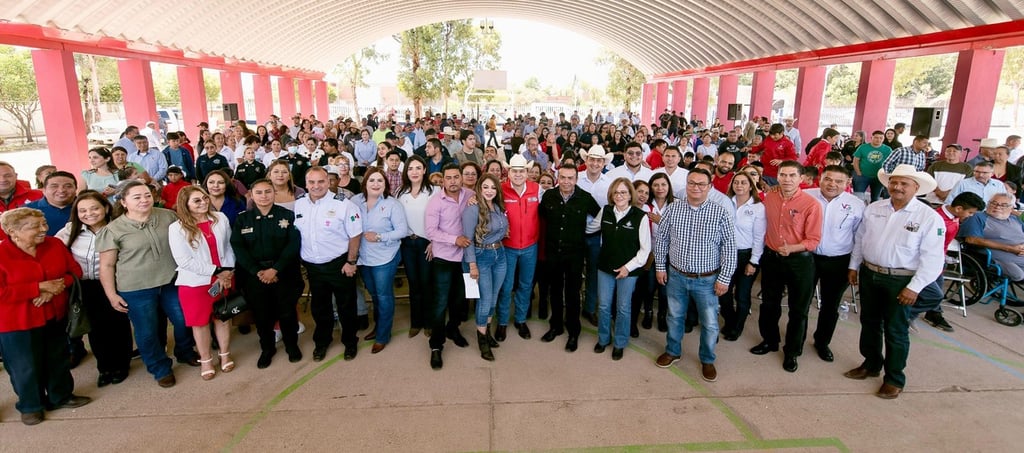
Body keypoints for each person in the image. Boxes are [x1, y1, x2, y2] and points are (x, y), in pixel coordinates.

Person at [845, 164, 944, 399]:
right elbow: (860, 239)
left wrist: (915, 287)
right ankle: (870, 364)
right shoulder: (875, 208)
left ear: (916, 188)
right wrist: (853, 265)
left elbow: (933, 258)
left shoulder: (928, 217)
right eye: (894, 182)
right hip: (870, 273)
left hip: (901, 280)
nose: (897, 187)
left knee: (895, 330)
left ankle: (894, 378)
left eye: (904, 183)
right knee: (869, 322)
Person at [97, 181, 200, 388]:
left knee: (183, 320)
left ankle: (185, 351)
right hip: (136, 288)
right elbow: (107, 266)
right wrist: (111, 294)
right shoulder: (114, 229)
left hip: (171, 281)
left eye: (147, 195)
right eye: (137, 197)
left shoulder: (167, 216)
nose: (144, 200)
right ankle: (159, 367)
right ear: (124, 202)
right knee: (147, 331)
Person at [0, 208, 90, 426]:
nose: (44, 230)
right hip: (16, 322)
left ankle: (61, 396)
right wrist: (37, 288)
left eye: (44, 224)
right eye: (35, 226)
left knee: (57, 358)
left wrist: (52, 290)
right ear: (13, 231)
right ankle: (31, 406)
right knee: (24, 366)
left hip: (53, 313)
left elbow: (74, 272)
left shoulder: (54, 244)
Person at [651, 168, 735, 381]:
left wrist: (724, 279)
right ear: (685, 184)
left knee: (709, 323)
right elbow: (662, 240)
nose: (695, 187)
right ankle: (672, 351)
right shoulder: (673, 209)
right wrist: (660, 266)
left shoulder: (720, 212)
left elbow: (729, 248)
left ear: (709, 187)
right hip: (676, 276)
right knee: (674, 316)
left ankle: (707, 359)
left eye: (700, 184)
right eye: (691, 183)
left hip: (707, 280)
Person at [750, 161, 823, 373]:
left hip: (799, 261)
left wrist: (792, 248)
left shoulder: (811, 204)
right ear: (777, 177)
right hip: (772, 259)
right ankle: (769, 341)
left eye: (792, 175)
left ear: (801, 179)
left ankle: (792, 351)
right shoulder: (770, 196)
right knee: (769, 304)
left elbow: (814, 240)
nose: (787, 179)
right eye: (783, 175)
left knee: (798, 310)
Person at [57, 192, 132, 386]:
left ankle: (121, 365)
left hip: (112, 283)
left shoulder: (118, 228)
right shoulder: (70, 230)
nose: (89, 214)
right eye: (82, 210)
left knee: (117, 325)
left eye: (94, 208)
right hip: (84, 286)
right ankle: (104, 368)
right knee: (95, 328)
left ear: (105, 208)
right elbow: (54, 250)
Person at [231, 179, 304, 368]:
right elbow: (238, 248)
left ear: (274, 194)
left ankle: (291, 346)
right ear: (251, 195)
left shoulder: (288, 216)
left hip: (284, 273)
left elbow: (293, 244)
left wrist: (275, 269)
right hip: (255, 276)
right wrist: (258, 272)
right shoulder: (242, 219)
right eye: (259, 193)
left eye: (268, 192)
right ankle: (267, 348)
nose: (264, 196)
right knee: (262, 316)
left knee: (287, 313)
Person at [168, 187, 237, 381]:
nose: (203, 202)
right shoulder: (177, 228)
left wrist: (228, 271)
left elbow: (229, 246)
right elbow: (183, 260)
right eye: (196, 201)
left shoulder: (220, 218)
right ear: (186, 204)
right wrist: (216, 272)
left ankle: (225, 354)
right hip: (195, 283)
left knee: (222, 317)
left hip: (224, 277)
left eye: (204, 198)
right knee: (200, 323)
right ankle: (206, 359)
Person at [294, 167, 362, 362]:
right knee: (320, 308)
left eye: (321, 181)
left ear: (329, 182)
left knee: (346, 307)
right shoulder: (299, 204)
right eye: (312, 182)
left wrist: (351, 261)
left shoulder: (344, 205)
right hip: (313, 266)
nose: (316, 186)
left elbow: (355, 233)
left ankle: (350, 342)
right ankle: (322, 342)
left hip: (339, 264)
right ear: (306, 184)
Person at [586, 177, 651, 360]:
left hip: (628, 272)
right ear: (611, 195)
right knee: (605, 306)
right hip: (605, 267)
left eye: (623, 192)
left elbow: (645, 250)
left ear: (630, 195)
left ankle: (620, 343)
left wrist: (627, 268)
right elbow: (590, 229)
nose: (619, 195)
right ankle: (603, 339)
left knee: (623, 307)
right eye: (616, 192)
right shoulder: (606, 211)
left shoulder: (640, 217)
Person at [539, 163, 601, 351]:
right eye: (563, 177)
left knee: (573, 294)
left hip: (575, 254)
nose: (566, 181)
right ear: (558, 177)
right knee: (555, 291)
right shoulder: (549, 195)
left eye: (570, 178)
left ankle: (573, 331)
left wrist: (587, 232)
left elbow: (599, 216)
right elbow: (541, 219)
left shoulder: (585, 198)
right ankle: (556, 326)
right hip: (553, 253)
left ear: (576, 179)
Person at [805, 165, 864, 362]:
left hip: (839, 261)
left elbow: (859, 237)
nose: (832, 184)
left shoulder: (856, 204)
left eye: (839, 181)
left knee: (830, 306)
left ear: (847, 184)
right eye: (828, 179)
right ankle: (795, 342)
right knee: (801, 303)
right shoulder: (805, 196)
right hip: (807, 258)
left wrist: (853, 266)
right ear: (820, 178)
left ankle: (822, 342)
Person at [909, 192, 985, 332]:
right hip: (928, 262)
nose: (971, 216)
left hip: (939, 260)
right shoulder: (936, 219)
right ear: (958, 208)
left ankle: (922, 315)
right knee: (934, 295)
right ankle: (905, 316)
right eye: (970, 212)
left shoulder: (955, 217)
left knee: (936, 294)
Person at [352, 168, 407, 354]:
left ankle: (383, 335)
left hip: (385, 256)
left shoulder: (393, 204)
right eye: (372, 180)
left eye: (380, 181)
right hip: (364, 257)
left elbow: (402, 231)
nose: (376, 184)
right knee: (374, 295)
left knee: (384, 296)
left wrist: (380, 236)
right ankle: (377, 328)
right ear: (365, 183)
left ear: (385, 184)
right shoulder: (355, 202)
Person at [424, 164, 473, 369]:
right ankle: (436, 345)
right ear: (442, 180)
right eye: (449, 178)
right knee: (440, 302)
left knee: (459, 299)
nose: (453, 181)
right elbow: (430, 232)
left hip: (466, 257)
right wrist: (455, 239)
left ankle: (453, 328)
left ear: (461, 178)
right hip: (444, 258)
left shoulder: (470, 195)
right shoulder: (435, 202)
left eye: (456, 177)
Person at [496, 154, 542, 342]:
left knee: (526, 285)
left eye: (521, 171)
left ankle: (521, 319)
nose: (518, 174)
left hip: (530, 246)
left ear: (527, 172)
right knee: (506, 286)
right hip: (507, 247)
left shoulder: (537, 189)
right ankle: (502, 322)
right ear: (508, 172)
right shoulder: (500, 190)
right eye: (514, 171)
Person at [462, 174, 508, 361]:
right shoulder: (472, 209)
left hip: (500, 255)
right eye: (485, 187)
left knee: (493, 298)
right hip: (481, 257)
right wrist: (472, 265)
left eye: (493, 188)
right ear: (479, 188)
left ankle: (487, 332)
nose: (489, 191)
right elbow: (468, 240)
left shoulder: (497, 207)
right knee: (485, 299)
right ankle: (482, 339)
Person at [719, 171, 764, 341]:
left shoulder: (758, 207)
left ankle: (737, 327)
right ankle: (730, 321)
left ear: (751, 186)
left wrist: (753, 262)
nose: (739, 186)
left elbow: (759, 238)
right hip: (725, 254)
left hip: (747, 256)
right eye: (736, 182)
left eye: (743, 183)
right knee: (723, 292)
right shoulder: (725, 202)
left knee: (742, 295)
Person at [397, 155, 433, 338]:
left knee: (427, 283)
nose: (414, 172)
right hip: (407, 244)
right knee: (413, 283)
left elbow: (440, 218)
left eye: (418, 168)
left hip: (427, 243)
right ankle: (415, 322)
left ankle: (428, 322)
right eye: (411, 168)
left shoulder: (433, 191)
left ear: (424, 170)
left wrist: (434, 242)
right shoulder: (399, 192)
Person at [25, 171, 76, 236]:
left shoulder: (87, 207)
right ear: (44, 190)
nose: (61, 190)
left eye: (68, 186)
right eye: (54, 186)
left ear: (76, 189)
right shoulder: (27, 211)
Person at [853, 131, 893, 202]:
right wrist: (858, 172)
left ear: (883, 139)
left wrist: (885, 174)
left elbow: (891, 163)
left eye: (881, 138)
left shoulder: (888, 149)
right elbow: (856, 160)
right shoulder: (863, 147)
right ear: (872, 138)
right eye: (876, 137)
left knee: (875, 198)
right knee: (858, 197)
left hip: (878, 177)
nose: (878, 140)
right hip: (863, 175)